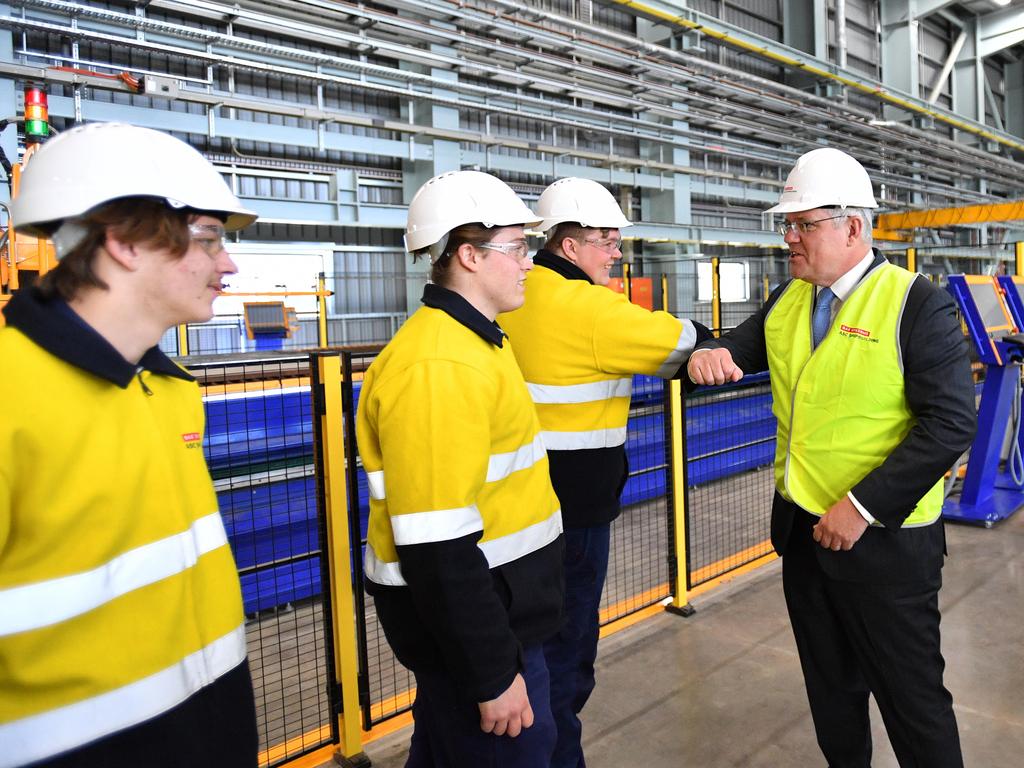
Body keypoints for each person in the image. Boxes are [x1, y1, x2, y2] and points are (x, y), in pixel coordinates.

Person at [687, 147, 976, 768]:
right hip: (803, 536)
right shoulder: (790, 298)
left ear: (853, 227)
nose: (789, 239)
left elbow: (951, 422)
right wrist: (708, 353)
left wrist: (863, 506)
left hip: (886, 547)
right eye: (786, 225)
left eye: (803, 225)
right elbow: (735, 347)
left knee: (913, 703)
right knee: (833, 697)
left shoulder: (915, 303)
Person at [0, 123, 259, 767]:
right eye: (208, 239)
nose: (226, 264)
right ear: (121, 242)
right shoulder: (12, 394)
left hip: (208, 728)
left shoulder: (167, 390)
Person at [497, 176, 711, 768]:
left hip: (511, 505)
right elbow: (691, 345)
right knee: (566, 657)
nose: (617, 253)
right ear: (569, 247)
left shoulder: (512, 295)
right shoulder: (592, 308)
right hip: (576, 512)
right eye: (606, 241)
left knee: (518, 651)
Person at [357, 170, 564, 767]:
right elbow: (437, 544)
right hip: (482, 644)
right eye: (518, 247)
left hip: (498, 626)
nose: (530, 262)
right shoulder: (439, 366)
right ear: (469, 256)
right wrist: (493, 674)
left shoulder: (476, 343)